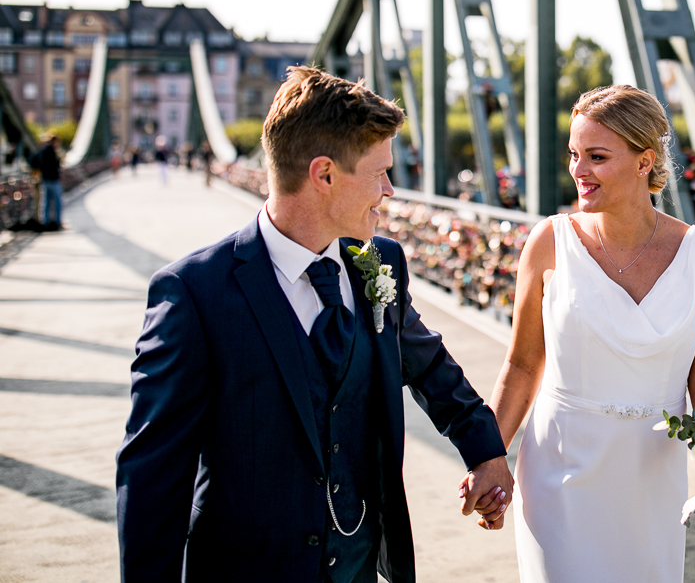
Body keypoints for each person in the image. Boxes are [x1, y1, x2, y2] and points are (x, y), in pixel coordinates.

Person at [115, 66, 513, 582]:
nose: (390, 190)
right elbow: (152, 476)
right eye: (378, 173)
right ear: (324, 175)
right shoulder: (194, 293)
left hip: (359, 565)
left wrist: (486, 452)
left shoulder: (381, 261)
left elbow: (432, 367)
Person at [480, 85, 695, 581]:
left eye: (596, 156)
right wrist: (487, 456)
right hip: (558, 472)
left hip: (651, 479)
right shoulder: (549, 242)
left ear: (644, 162)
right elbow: (521, 366)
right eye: (574, 155)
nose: (578, 170)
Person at [30, 134, 63, 231]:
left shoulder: (41, 151)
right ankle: (57, 222)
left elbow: (33, 161)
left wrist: (40, 170)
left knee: (46, 202)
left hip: (45, 179)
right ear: (54, 142)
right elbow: (56, 165)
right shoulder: (52, 152)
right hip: (53, 180)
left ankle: (46, 222)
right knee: (57, 202)